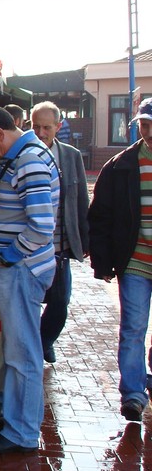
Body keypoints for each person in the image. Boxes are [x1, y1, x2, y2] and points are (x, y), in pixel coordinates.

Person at [0, 104, 59, 453]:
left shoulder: (29, 160)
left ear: (0, 134)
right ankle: (19, 424)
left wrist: (8, 256)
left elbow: (41, 227)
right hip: (19, 268)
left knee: (22, 353)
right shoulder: (23, 157)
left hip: (21, 269)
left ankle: (21, 433)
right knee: (19, 351)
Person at [88, 96, 152, 423]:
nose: (149, 131)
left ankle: (146, 376)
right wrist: (102, 260)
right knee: (133, 328)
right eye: (145, 124)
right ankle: (133, 394)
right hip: (136, 262)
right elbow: (100, 215)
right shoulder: (121, 166)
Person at [30, 101, 89, 364]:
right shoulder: (24, 153)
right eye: (36, 126)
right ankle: (35, 345)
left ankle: (44, 340)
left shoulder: (71, 155)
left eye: (46, 127)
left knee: (60, 301)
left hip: (61, 246)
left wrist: (84, 239)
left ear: (58, 127)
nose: (41, 133)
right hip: (31, 247)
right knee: (31, 301)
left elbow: (80, 201)